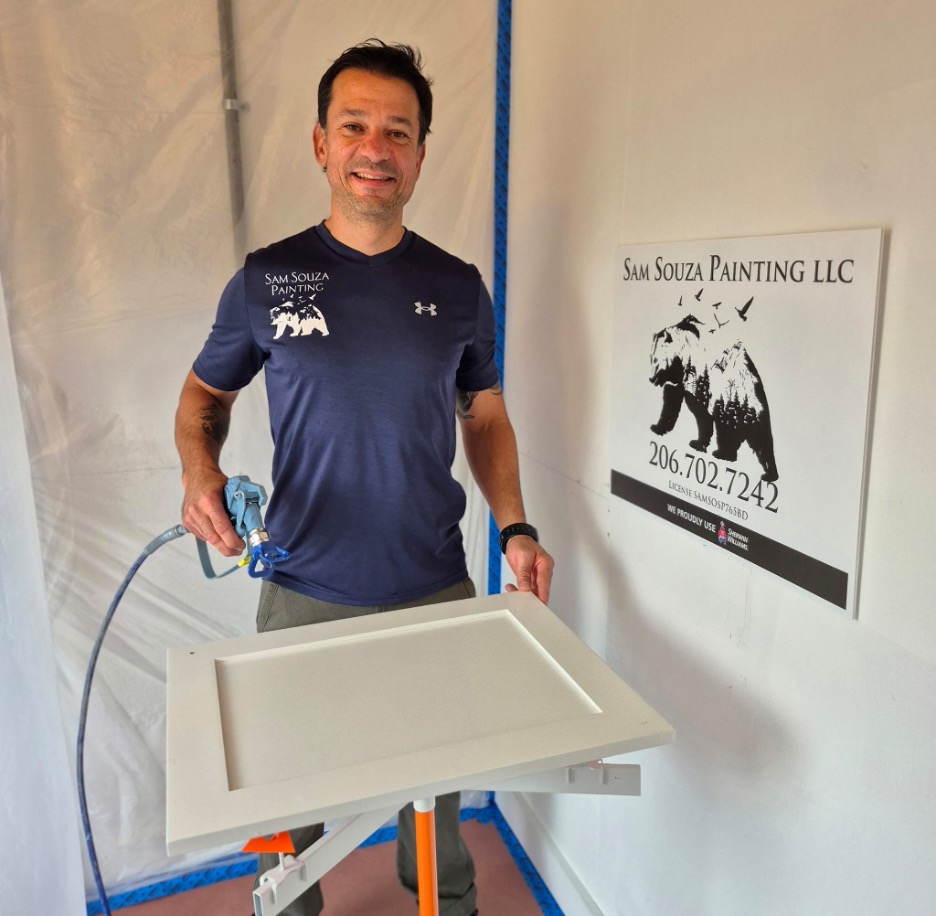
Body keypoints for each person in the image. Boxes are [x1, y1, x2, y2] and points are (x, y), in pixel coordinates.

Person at [175, 39, 553, 916]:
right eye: (354, 126)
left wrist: (516, 527)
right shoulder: (268, 279)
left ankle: (446, 905)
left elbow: (484, 415)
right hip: (303, 590)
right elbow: (204, 394)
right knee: (289, 804)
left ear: (420, 154)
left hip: (432, 589)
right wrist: (200, 472)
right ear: (321, 143)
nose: (375, 148)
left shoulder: (457, 287)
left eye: (397, 131)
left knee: (435, 798)